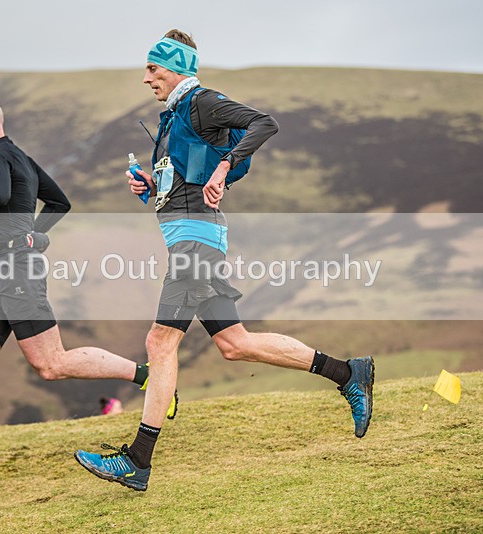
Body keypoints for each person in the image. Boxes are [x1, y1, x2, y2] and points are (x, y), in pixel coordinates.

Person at [74, 30, 374, 492]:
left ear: (175, 67)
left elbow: (264, 122)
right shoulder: (176, 116)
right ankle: (349, 372)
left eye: (153, 69)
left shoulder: (201, 102)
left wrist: (223, 167)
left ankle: (138, 461)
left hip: (196, 243)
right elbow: (184, 180)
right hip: (194, 239)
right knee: (236, 344)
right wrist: (150, 188)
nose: (146, 78)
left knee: (159, 344)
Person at [0, 96, 176, 488]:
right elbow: (60, 201)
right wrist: (34, 235)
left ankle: (146, 376)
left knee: (51, 364)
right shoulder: (20, 157)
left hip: (15, 274)